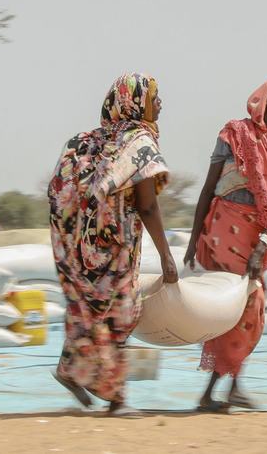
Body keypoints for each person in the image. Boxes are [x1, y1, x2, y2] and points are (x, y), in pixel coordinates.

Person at [48, 72, 177, 417]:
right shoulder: (139, 143)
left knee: (91, 309)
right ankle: (116, 397)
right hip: (116, 244)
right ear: (135, 101)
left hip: (83, 244)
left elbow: (61, 191)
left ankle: (70, 370)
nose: (160, 102)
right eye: (154, 96)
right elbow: (147, 206)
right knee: (121, 313)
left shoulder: (88, 141)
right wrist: (166, 255)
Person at [184, 79, 267, 412]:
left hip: (256, 235)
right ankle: (224, 388)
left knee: (247, 310)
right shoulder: (234, 134)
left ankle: (219, 390)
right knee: (245, 302)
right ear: (263, 101)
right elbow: (208, 189)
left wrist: (263, 244)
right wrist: (193, 241)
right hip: (225, 227)